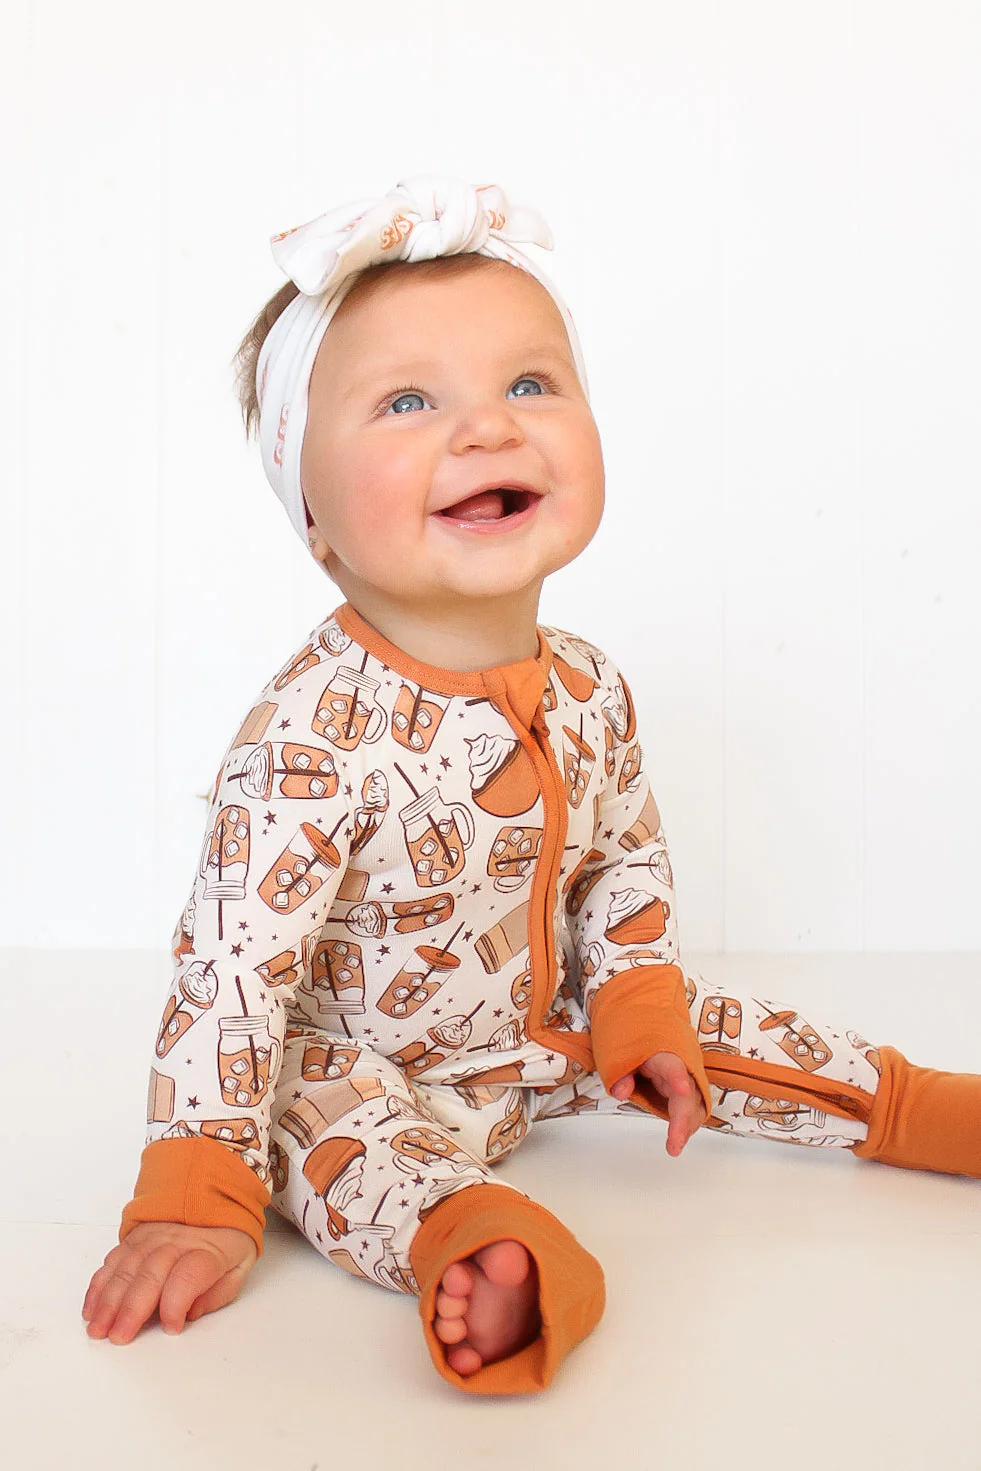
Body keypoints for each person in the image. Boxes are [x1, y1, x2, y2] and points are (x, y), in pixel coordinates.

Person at [81, 174, 981, 1396]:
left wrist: (640, 1007)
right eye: (408, 401)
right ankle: (478, 1242)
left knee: (708, 1027)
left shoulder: (590, 684)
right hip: (352, 1061)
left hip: (543, 1031)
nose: (488, 429)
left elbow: (624, 858)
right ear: (314, 518)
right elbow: (231, 977)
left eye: (530, 383)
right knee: (329, 1133)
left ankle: (917, 1108)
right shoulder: (307, 740)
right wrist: (191, 1199)